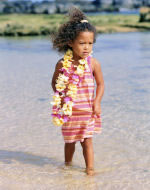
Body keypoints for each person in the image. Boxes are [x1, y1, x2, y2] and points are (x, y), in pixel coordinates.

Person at [51, 7, 104, 176]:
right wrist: (61, 99)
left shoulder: (93, 63)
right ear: (70, 42)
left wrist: (97, 102)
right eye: (82, 43)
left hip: (88, 110)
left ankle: (90, 170)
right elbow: (54, 83)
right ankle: (67, 166)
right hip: (69, 112)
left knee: (87, 141)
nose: (86, 47)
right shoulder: (62, 64)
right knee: (69, 142)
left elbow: (101, 84)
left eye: (90, 43)